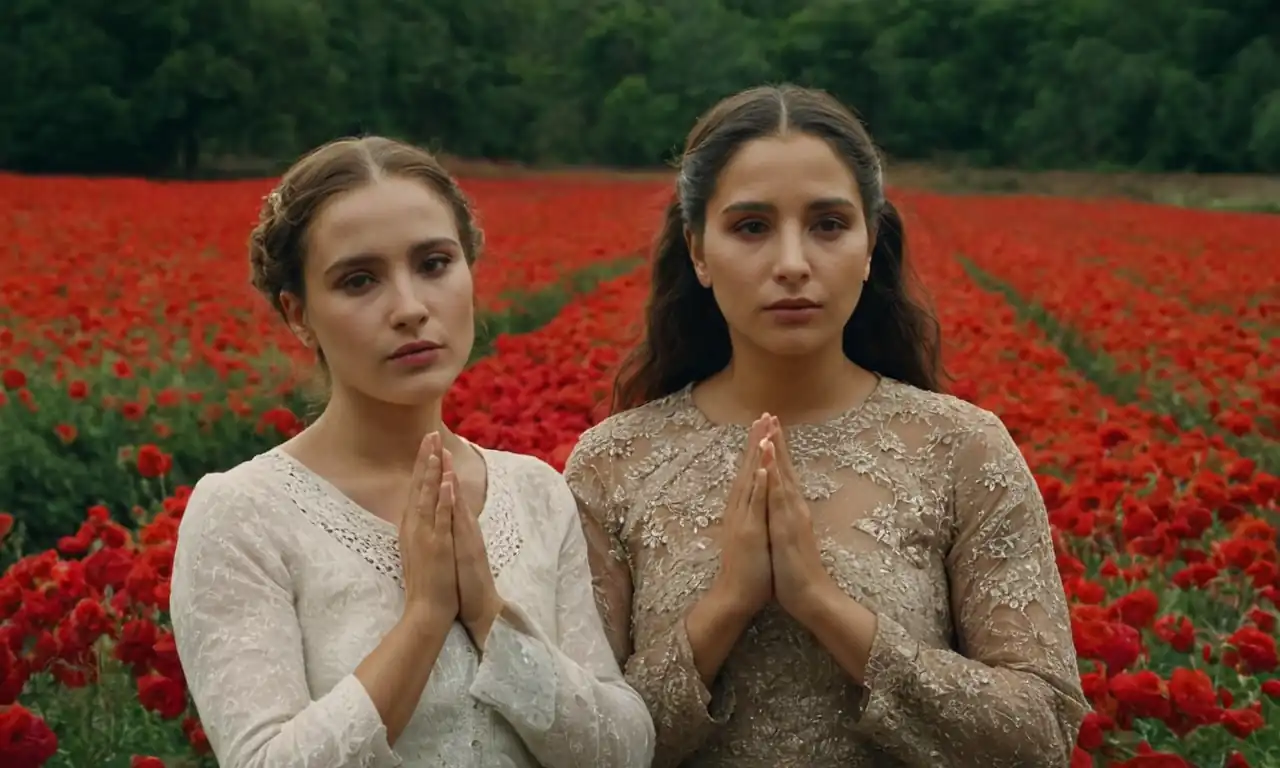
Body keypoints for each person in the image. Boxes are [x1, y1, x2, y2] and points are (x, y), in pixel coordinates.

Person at [563, 85, 1089, 768]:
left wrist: (825, 608)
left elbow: (1043, 733)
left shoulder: (963, 449)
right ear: (697, 250)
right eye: (751, 226)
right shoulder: (613, 463)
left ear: (870, 244)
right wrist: (723, 609)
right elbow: (576, 747)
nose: (792, 263)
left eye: (828, 224)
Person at [168, 136, 655, 768]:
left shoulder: (535, 492)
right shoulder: (245, 516)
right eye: (359, 280)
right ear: (298, 314)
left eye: (433, 264)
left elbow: (625, 748)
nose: (410, 308)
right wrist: (424, 619)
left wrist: (488, 616)